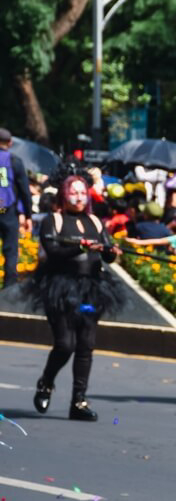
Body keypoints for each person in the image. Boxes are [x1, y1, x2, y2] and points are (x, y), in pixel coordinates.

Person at [26, 173, 125, 421]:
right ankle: (46, 382)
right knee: (65, 344)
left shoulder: (95, 221)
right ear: (64, 195)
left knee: (86, 345)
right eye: (74, 192)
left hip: (91, 291)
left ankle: (78, 401)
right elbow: (53, 251)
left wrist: (111, 251)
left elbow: (107, 254)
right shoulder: (54, 220)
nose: (79, 198)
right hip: (61, 291)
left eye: (83, 193)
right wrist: (79, 247)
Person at [0, 128, 33, 288]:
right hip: (7, 211)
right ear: (10, 143)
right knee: (11, 251)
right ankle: (8, 291)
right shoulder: (14, 161)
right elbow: (24, 191)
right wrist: (27, 214)